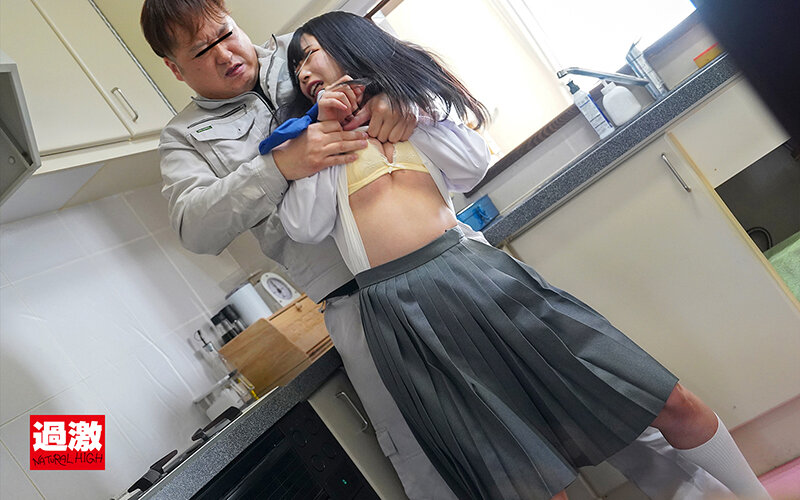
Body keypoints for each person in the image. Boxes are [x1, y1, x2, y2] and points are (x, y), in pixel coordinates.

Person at [139, 1, 746, 499]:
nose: (226, 53)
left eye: (226, 33)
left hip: (455, 261)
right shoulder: (184, 139)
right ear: (175, 68)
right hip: (362, 309)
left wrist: (399, 99)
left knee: (606, 401)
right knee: (462, 465)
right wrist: (281, 164)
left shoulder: (307, 48)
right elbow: (196, 227)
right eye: (201, 51)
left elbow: (414, 88)